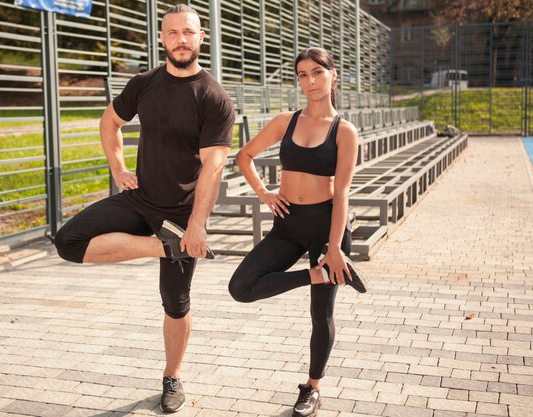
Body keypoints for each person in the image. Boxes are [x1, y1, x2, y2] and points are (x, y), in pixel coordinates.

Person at [54, 4, 235, 414]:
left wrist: (196, 227)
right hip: (140, 198)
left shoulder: (214, 98)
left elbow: (214, 167)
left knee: (175, 302)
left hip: (180, 211)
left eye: (188, 32)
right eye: (172, 33)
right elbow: (109, 121)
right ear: (161, 38)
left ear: (201, 36)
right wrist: (117, 166)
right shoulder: (144, 83)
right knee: (68, 241)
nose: (181, 40)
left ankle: (172, 376)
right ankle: (163, 247)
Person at [228, 47, 366, 417]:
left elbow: (342, 194)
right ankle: (315, 275)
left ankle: (313, 388)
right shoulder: (286, 121)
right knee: (240, 287)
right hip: (287, 226)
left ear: (333, 75)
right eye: (303, 75)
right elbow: (244, 155)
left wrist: (335, 249)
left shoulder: (344, 131)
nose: (310, 81)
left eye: (317, 73)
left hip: (326, 228)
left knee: (321, 315)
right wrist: (264, 193)